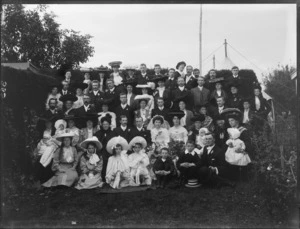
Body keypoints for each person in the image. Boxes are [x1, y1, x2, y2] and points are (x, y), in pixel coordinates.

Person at [94, 115, 114, 181]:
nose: (105, 126)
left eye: (107, 124)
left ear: (109, 124)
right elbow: (96, 145)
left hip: (110, 153)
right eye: (104, 124)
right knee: (102, 159)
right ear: (102, 125)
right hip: (100, 153)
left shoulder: (113, 133)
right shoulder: (98, 133)